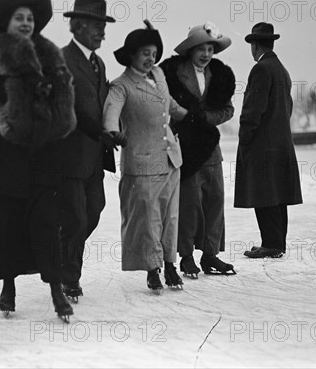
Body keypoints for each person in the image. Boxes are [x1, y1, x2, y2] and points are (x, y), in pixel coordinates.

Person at [0, 0, 77, 321]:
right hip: (5, 153)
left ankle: (57, 291)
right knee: (7, 223)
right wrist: (41, 88)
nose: (26, 23)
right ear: (6, 23)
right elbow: (11, 96)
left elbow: (62, 96)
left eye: (30, 18)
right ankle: (8, 286)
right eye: (19, 18)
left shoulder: (50, 54)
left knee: (46, 223)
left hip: (44, 152)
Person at [103, 21, 188, 293]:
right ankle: (153, 269)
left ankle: (170, 263)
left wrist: (195, 117)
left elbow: (171, 106)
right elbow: (111, 113)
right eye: (144, 53)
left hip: (171, 159)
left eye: (153, 53)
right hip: (142, 163)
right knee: (148, 221)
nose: (151, 58)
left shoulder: (160, 74)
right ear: (131, 56)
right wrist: (113, 132)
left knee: (170, 217)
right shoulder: (121, 86)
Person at [160, 22, 237, 278]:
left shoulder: (220, 76)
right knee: (188, 204)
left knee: (214, 201)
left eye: (210, 49)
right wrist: (184, 118)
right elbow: (164, 103)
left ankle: (210, 254)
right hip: (185, 146)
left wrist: (205, 119)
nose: (206, 55)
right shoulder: (173, 73)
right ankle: (186, 256)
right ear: (190, 50)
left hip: (210, 148)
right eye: (201, 49)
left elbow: (228, 110)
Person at [57, 0, 116, 302]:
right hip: (68, 156)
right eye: (97, 25)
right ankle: (69, 277)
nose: (102, 32)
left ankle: (61, 256)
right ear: (77, 25)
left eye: (103, 26)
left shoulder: (99, 63)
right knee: (77, 218)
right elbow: (67, 109)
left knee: (93, 211)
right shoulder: (61, 59)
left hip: (95, 155)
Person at [234, 22, 302, 258]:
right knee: (277, 196)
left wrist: (246, 139)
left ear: (254, 45)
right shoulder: (282, 70)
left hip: (262, 145)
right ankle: (276, 243)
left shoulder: (261, 69)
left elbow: (253, 110)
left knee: (264, 194)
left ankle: (271, 245)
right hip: (281, 143)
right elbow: (287, 108)